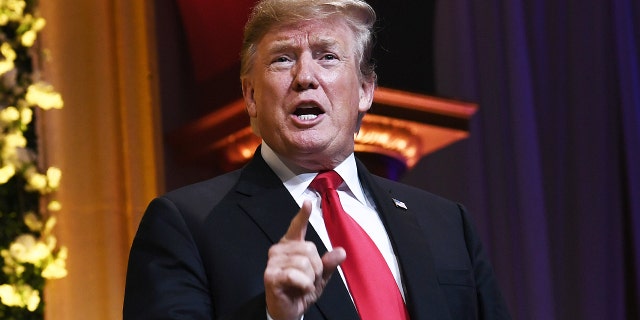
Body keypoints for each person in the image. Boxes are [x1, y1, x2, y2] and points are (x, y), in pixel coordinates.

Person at [123, 0, 511, 319]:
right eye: (282, 59)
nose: (305, 76)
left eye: (327, 56)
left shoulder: (446, 223)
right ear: (251, 96)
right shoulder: (185, 225)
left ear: (364, 90)